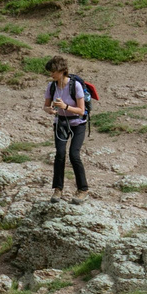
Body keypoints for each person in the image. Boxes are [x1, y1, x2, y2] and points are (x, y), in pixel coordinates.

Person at [42, 55, 95, 195]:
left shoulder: (75, 86)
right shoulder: (51, 86)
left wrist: (65, 107)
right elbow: (46, 106)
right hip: (60, 122)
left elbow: (81, 111)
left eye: (53, 71)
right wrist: (50, 110)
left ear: (62, 70)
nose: (51, 74)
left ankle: (83, 189)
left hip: (78, 124)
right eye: (50, 71)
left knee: (74, 155)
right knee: (60, 154)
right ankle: (58, 189)